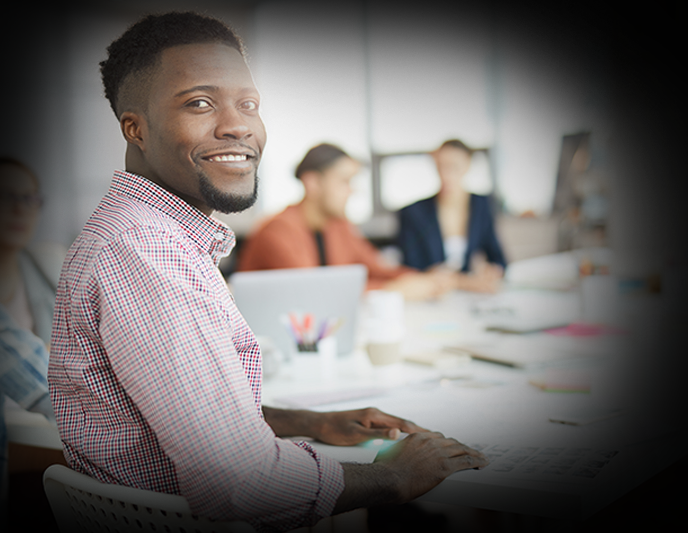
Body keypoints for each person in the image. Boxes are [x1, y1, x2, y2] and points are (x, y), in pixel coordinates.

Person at [48, 12, 488, 533]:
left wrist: (308, 423)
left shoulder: (152, 238)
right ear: (135, 128)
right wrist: (391, 479)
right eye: (199, 102)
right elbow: (240, 481)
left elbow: (179, 418)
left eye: (248, 104)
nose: (238, 125)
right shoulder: (145, 253)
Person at [237, 143, 457, 300]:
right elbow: (316, 295)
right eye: (345, 181)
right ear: (313, 183)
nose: (353, 191)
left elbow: (377, 267)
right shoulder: (277, 232)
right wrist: (392, 291)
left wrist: (424, 280)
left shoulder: (338, 226)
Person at [0, 158, 62, 526]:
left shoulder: (48, 263)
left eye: (30, 198)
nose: (21, 208)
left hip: (41, 424)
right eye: (7, 196)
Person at [397, 139, 507, 293]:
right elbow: (411, 269)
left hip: (472, 296)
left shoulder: (482, 205)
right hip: (432, 296)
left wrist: (492, 271)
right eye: (441, 167)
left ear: (467, 165)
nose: (446, 175)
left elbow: (498, 258)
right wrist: (464, 282)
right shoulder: (413, 212)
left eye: (454, 167)